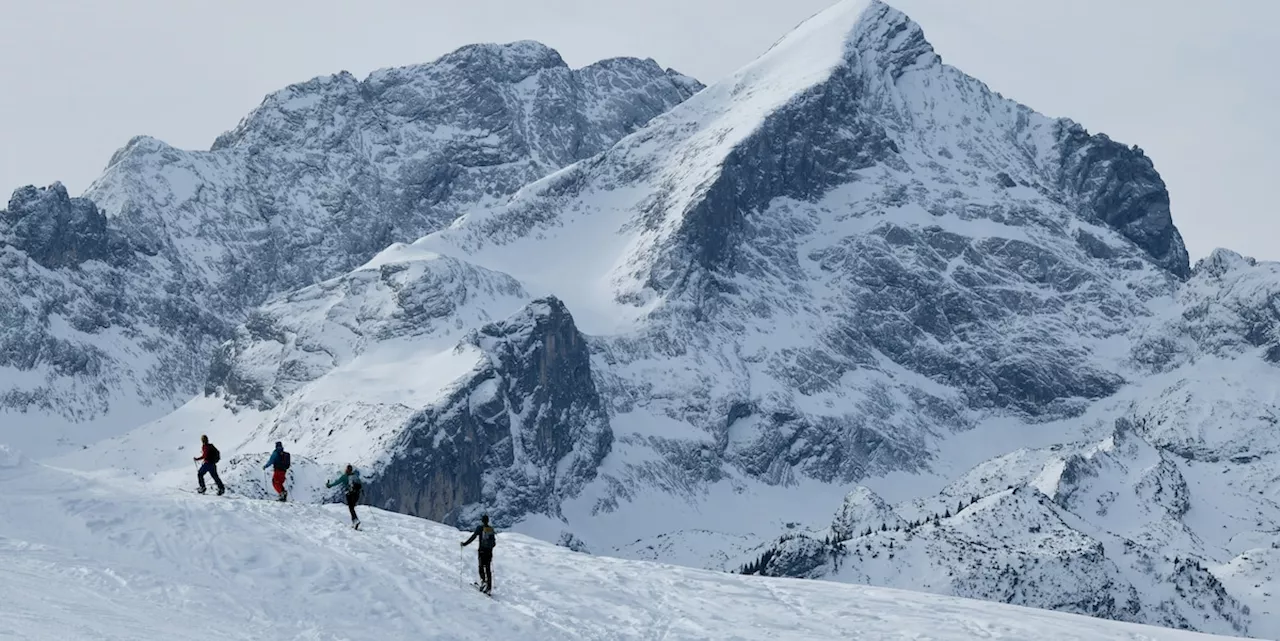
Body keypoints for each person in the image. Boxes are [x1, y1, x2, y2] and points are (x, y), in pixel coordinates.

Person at [461, 514, 497, 593]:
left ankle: (483, 581)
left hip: (481, 551)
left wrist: (464, 544)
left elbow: (473, 537)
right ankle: (489, 587)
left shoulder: (480, 528)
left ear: (482, 520)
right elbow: (494, 543)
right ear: (488, 520)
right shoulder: (491, 529)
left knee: (481, 567)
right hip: (489, 552)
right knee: (488, 569)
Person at [325, 464, 363, 529]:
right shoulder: (355, 476)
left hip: (349, 493)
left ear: (346, 470)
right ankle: (355, 521)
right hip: (356, 494)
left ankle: (355, 521)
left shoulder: (344, 477)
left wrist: (329, 485)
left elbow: (337, 482)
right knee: (352, 508)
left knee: (351, 508)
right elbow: (360, 484)